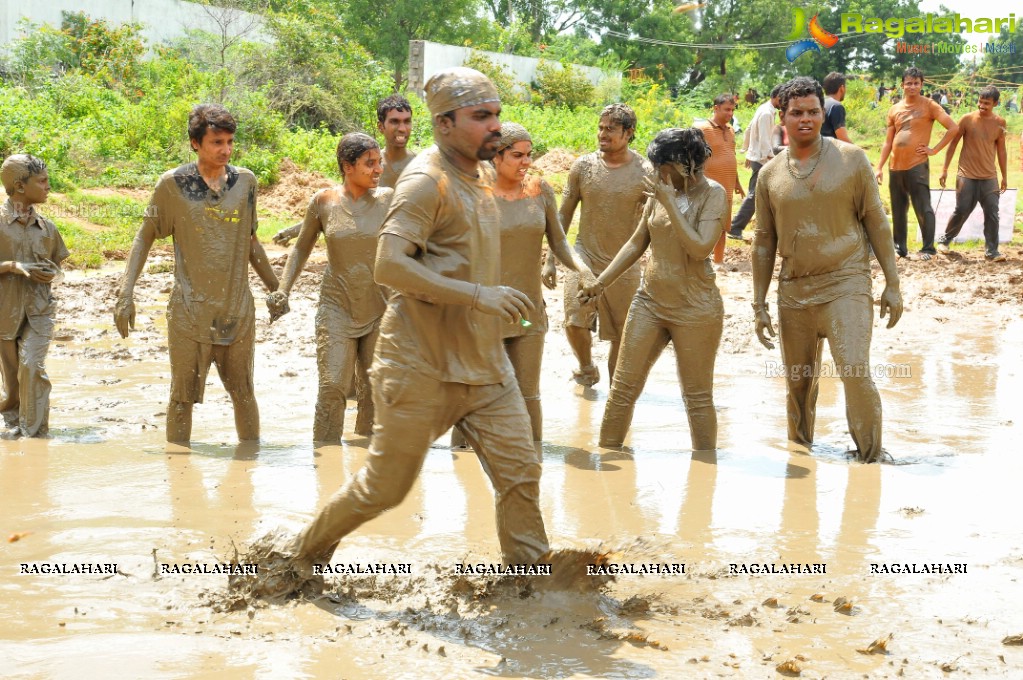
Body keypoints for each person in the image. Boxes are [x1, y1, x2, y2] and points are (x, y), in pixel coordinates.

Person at [275, 68, 549, 592]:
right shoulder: (428, 181)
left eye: (496, 113)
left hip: (485, 364)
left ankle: (532, 594)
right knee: (385, 488)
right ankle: (300, 561)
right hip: (420, 363)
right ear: (445, 124)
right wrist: (477, 295)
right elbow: (389, 265)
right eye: (481, 116)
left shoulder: (481, 177)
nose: (496, 126)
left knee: (522, 475)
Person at [752, 77, 903, 464]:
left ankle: (870, 460)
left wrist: (892, 283)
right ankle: (800, 459)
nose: (805, 119)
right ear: (781, 118)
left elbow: (877, 222)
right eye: (796, 113)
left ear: (824, 113)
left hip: (846, 281)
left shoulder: (852, 159)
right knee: (798, 382)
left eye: (813, 112)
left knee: (854, 370)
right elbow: (764, 241)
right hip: (794, 290)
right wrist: (758, 304)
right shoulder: (769, 174)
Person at [114, 104, 280, 443]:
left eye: (230, 142)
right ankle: (178, 474)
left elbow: (250, 242)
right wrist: (125, 294)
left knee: (244, 393)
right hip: (189, 312)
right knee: (180, 398)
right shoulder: (172, 185)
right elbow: (144, 236)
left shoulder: (245, 182)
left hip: (237, 310)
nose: (226, 150)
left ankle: (248, 470)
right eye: (217, 142)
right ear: (195, 143)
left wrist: (278, 288)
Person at [579, 128, 724, 451]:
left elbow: (700, 249)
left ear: (681, 165)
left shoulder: (713, 194)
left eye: (660, 165)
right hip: (651, 302)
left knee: (697, 398)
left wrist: (670, 204)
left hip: (696, 308)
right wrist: (599, 283)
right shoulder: (661, 191)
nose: (655, 171)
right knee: (622, 389)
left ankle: (703, 481)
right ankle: (606, 463)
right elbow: (636, 243)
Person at [452, 123, 596, 446]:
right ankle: (462, 465)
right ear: (494, 157)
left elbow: (559, 242)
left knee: (529, 395)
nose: (526, 162)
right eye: (517, 155)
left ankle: (533, 462)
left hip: (528, 313)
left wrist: (583, 270)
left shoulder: (539, 190)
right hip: (481, 313)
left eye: (529, 155)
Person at [266, 133, 393, 443]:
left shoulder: (389, 199)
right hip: (336, 306)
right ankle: (325, 458)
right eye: (370, 163)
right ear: (347, 167)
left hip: (380, 307)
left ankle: (366, 460)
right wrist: (284, 289)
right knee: (333, 385)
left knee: (374, 389)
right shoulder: (323, 202)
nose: (378, 169)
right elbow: (301, 248)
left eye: (379, 163)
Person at [544, 103, 651, 387]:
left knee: (621, 333)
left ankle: (617, 392)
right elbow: (563, 213)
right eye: (600, 128)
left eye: (610, 129)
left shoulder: (645, 171)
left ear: (628, 133)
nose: (602, 134)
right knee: (573, 321)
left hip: (624, 265)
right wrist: (551, 259)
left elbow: (653, 224)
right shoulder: (583, 166)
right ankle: (587, 367)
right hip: (583, 257)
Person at [272, 96, 416, 247]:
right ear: (381, 127)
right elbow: (338, 210)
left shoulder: (420, 168)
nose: (402, 128)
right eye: (394, 121)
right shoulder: (366, 168)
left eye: (407, 121)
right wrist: (292, 231)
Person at [0, 154, 68, 439]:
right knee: (13, 381)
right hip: (5, 312)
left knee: (31, 364)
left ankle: (34, 434)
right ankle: (12, 423)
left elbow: (58, 269)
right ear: (19, 186)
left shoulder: (48, 228)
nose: (48, 186)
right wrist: (15, 267)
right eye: (42, 181)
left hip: (40, 310)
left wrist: (50, 273)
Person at [875, 67, 958, 260]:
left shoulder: (929, 105)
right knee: (898, 208)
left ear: (922, 84)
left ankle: (928, 248)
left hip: (917, 165)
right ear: (902, 85)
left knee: (923, 207)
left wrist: (934, 150)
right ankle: (899, 248)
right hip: (895, 166)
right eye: (909, 83)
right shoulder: (894, 109)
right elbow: (888, 141)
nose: (912, 86)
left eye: (916, 83)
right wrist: (879, 167)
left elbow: (953, 127)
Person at [936, 86, 1008, 262]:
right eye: (980, 102)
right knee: (961, 210)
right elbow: (953, 144)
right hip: (966, 175)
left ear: (995, 104)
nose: (982, 106)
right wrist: (944, 169)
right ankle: (944, 241)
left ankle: (992, 251)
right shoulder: (967, 119)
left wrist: (1005, 176)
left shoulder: (1000, 123)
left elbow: (1002, 150)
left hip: (989, 177)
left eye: (987, 103)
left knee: (992, 212)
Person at [728, 85, 781, 241]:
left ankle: (765, 227)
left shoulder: (764, 108)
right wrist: (771, 158)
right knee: (754, 195)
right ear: (777, 97)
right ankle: (735, 227)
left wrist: (748, 151)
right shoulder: (766, 113)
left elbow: (749, 129)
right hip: (763, 159)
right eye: (784, 99)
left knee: (762, 194)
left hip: (759, 157)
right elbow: (765, 140)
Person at [695, 94, 741, 264]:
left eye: (732, 110)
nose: (730, 113)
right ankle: (700, 259)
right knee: (705, 223)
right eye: (727, 109)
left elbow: (732, 155)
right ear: (716, 108)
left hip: (727, 185)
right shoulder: (702, 129)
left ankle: (719, 262)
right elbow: (693, 157)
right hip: (708, 187)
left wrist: (737, 183)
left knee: (722, 225)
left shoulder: (730, 130)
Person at [821, 72, 853, 143]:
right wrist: (859, 152)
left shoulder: (820, 103)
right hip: (830, 150)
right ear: (842, 88)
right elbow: (842, 138)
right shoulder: (836, 106)